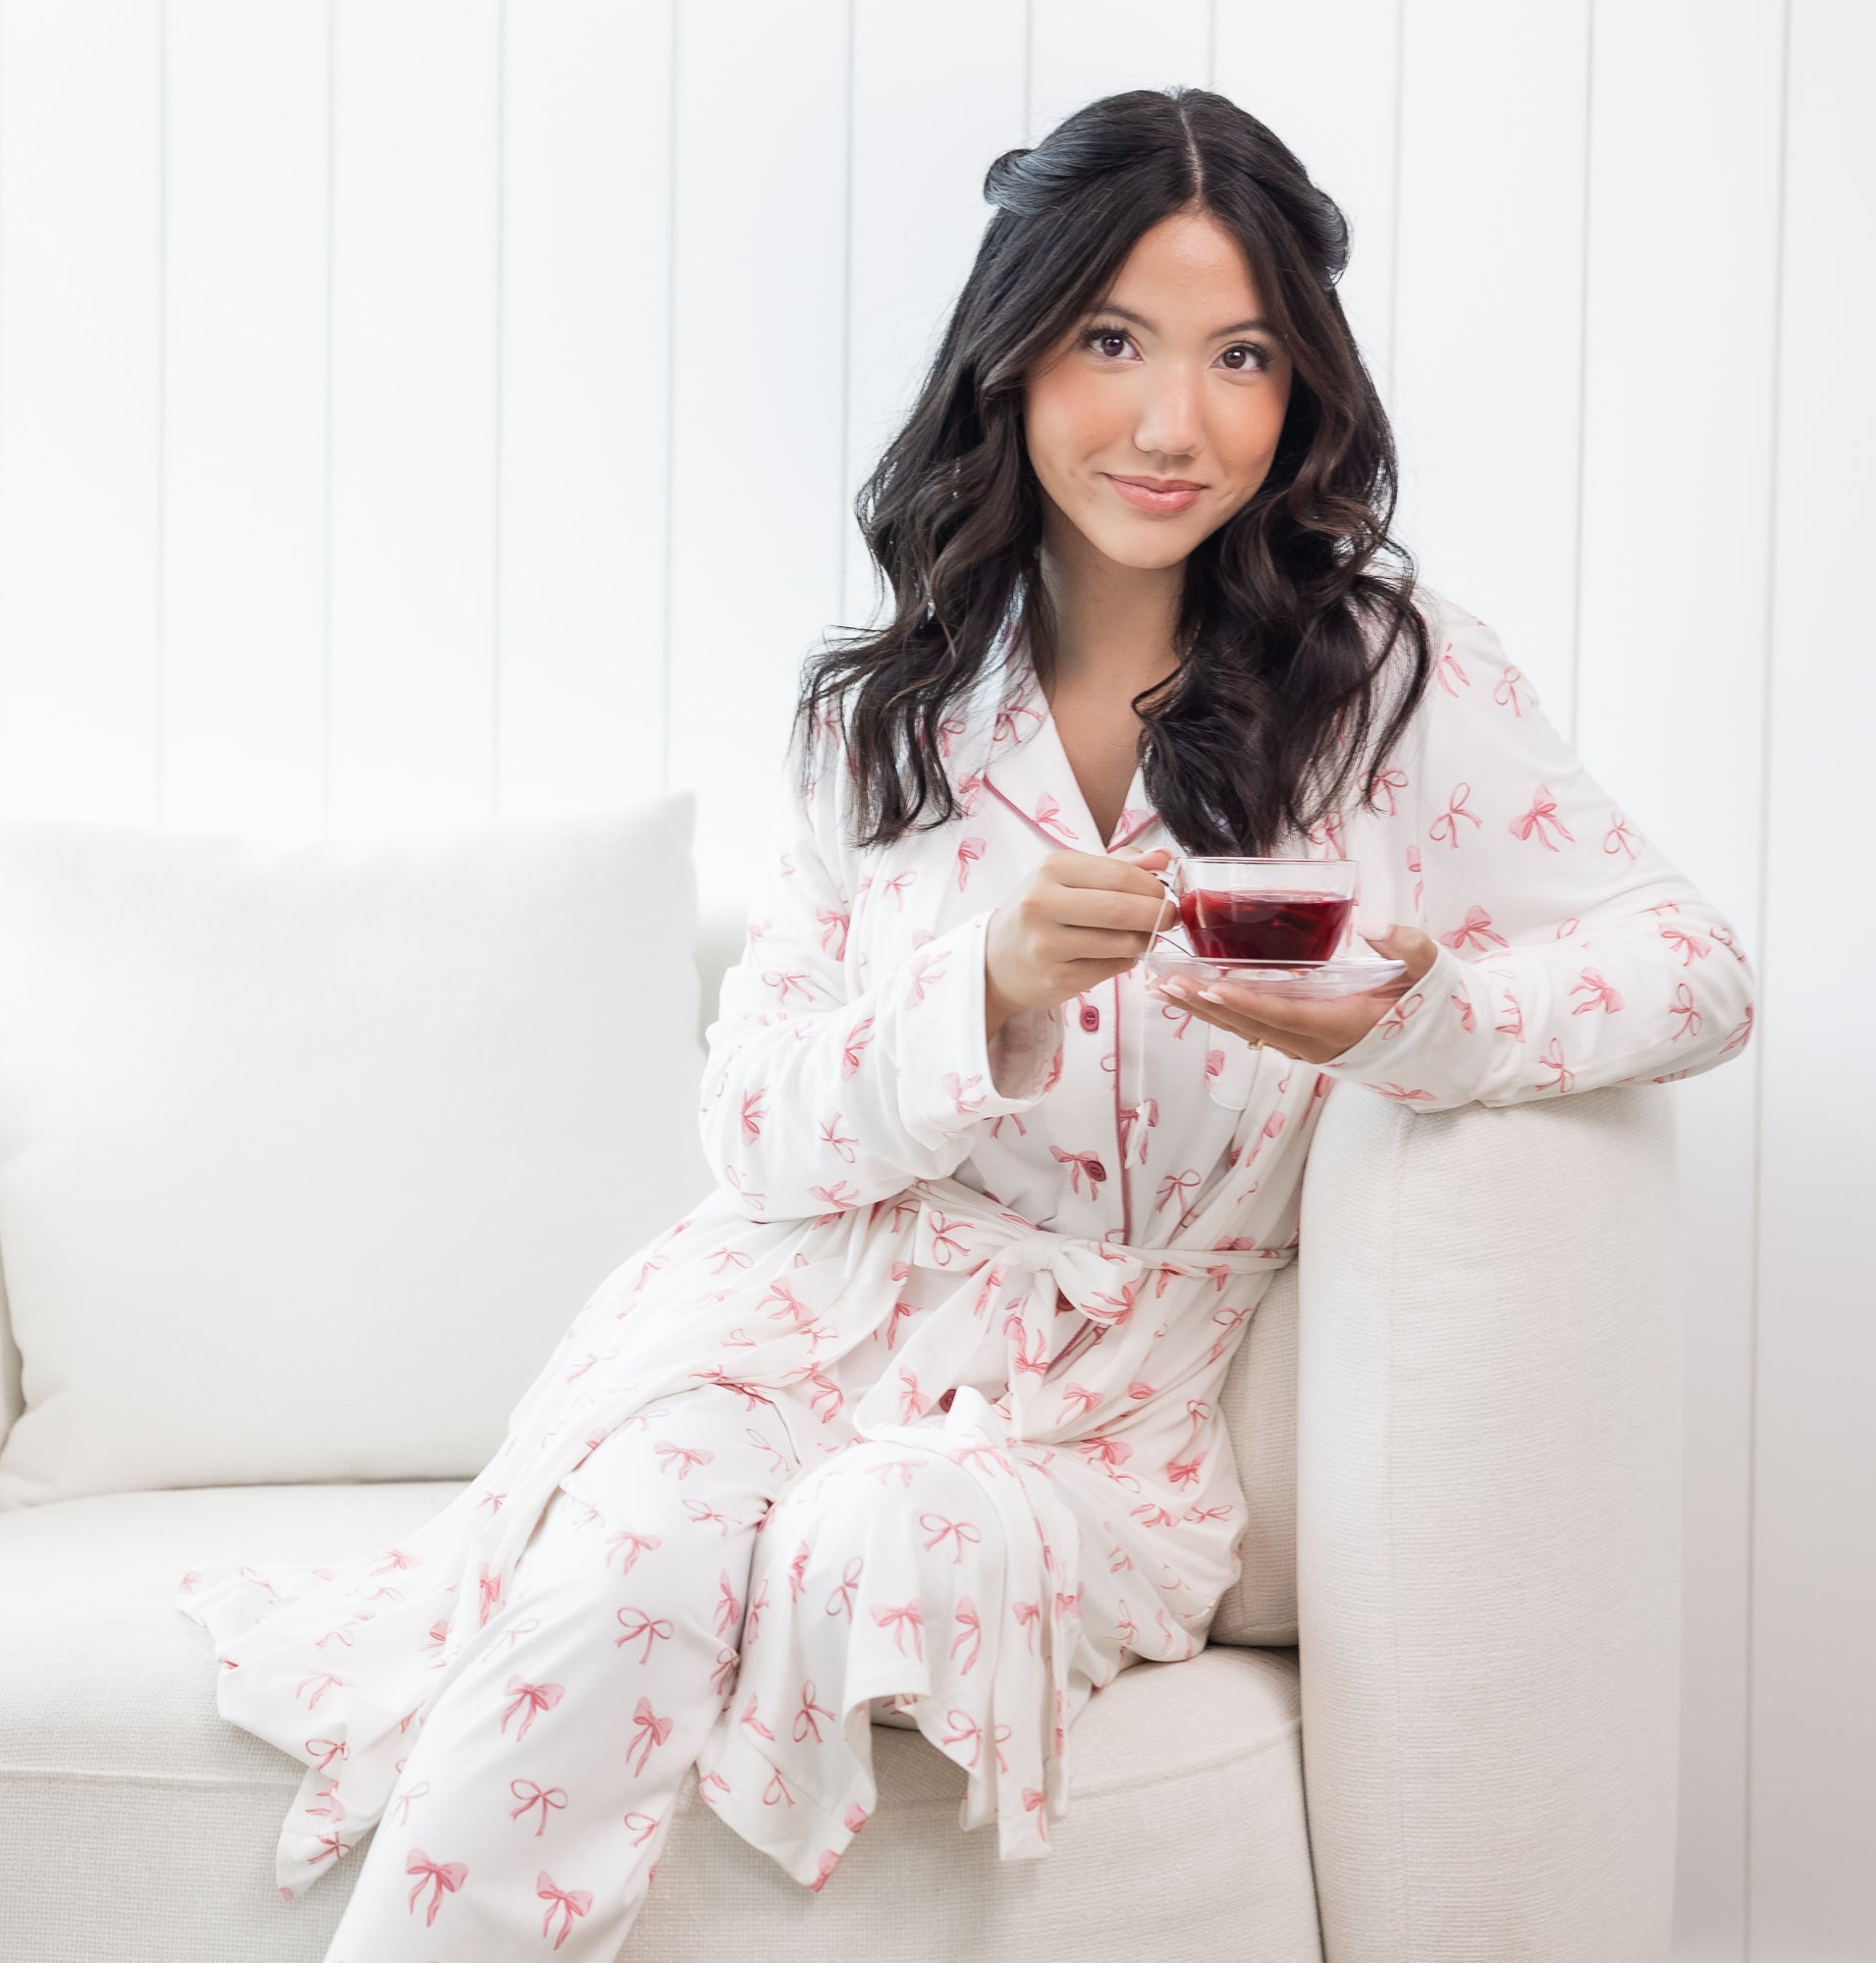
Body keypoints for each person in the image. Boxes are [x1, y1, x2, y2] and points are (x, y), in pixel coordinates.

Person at [173, 83, 1756, 1961]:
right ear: (1012, 354)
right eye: (1112, 341)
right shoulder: (892, 711)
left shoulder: (1382, 681)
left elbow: (1695, 966)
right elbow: (752, 1128)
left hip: (1104, 1406)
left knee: (887, 1549)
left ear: (1302, 392)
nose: (1174, 422)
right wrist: (978, 992)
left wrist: (1421, 1024)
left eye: (1240, 355)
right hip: (793, 1311)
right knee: (623, 1579)